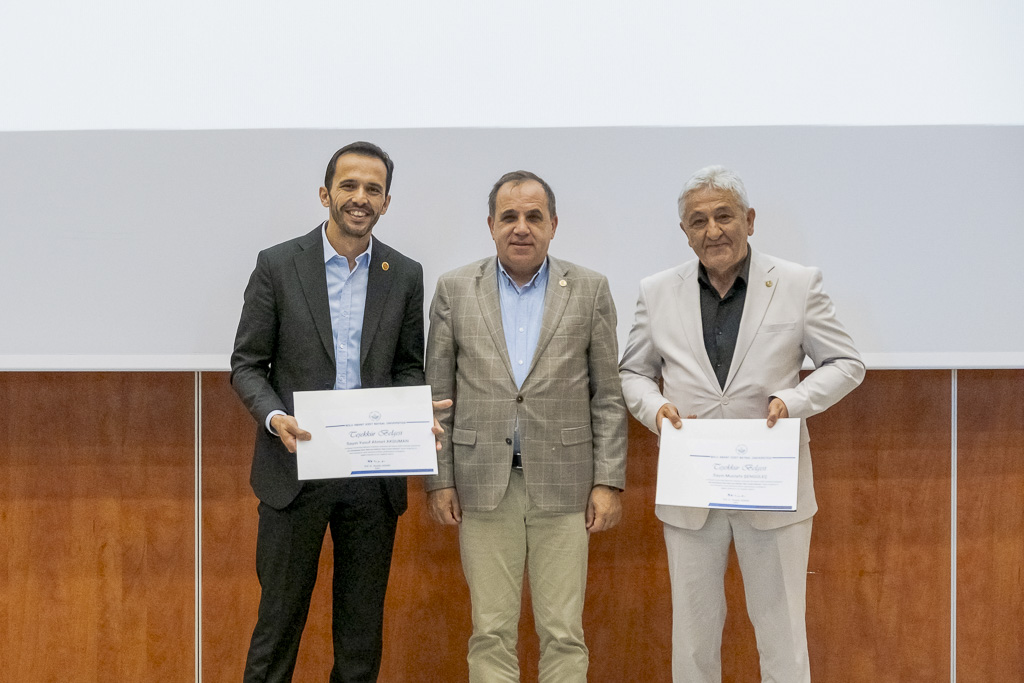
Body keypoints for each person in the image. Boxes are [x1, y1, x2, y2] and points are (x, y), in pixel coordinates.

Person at [618, 165, 865, 683]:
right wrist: (655, 409)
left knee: (782, 641)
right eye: (698, 221)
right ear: (685, 232)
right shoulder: (656, 291)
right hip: (691, 488)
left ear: (749, 220)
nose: (713, 231)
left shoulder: (796, 283)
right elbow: (633, 373)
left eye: (724, 216)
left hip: (772, 487)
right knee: (693, 644)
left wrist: (792, 400)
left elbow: (846, 363)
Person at [231, 141, 430, 683]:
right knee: (277, 627)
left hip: (371, 475)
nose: (360, 197)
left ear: (386, 202)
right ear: (325, 194)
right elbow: (247, 365)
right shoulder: (278, 265)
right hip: (294, 466)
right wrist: (275, 418)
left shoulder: (404, 273)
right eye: (349, 186)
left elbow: (409, 367)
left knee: (360, 636)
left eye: (373, 189)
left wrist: (413, 417)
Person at [424, 170, 627, 682]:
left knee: (563, 633)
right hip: (480, 484)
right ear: (490, 225)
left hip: (566, 484)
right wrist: (440, 480)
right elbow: (437, 397)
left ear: (553, 225)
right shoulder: (454, 289)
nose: (521, 227)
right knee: (490, 631)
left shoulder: (590, 289)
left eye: (534, 217)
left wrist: (608, 481)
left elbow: (608, 397)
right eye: (509, 216)